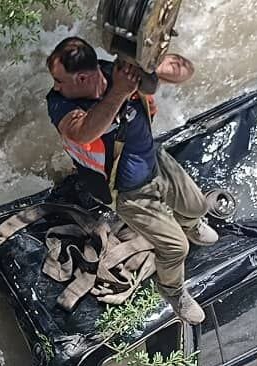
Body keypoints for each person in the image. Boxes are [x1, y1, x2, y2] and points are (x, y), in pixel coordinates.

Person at [44, 36, 218, 324]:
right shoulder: (60, 104)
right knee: (176, 248)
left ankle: (190, 223)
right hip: (126, 191)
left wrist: (153, 62)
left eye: (60, 80)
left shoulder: (118, 72)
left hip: (155, 159)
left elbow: (185, 71)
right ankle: (173, 291)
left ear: (84, 76)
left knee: (197, 206)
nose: (55, 86)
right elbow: (83, 132)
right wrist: (120, 93)